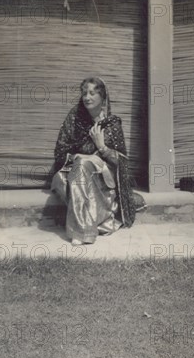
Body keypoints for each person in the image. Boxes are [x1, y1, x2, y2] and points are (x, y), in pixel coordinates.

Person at [51, 77, 137, 245]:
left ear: (102, 97)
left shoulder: (112, 125)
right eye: (84, 93)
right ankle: (84, 229)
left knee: (83, 167)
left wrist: (102, 147)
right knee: (81, 166)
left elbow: (122, 163)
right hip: (76, 172)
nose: (87, 97)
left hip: (103, 178)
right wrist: (79, 156)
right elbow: (60, 152)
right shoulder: (74, 118)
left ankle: (82, 231)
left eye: (92, 93)